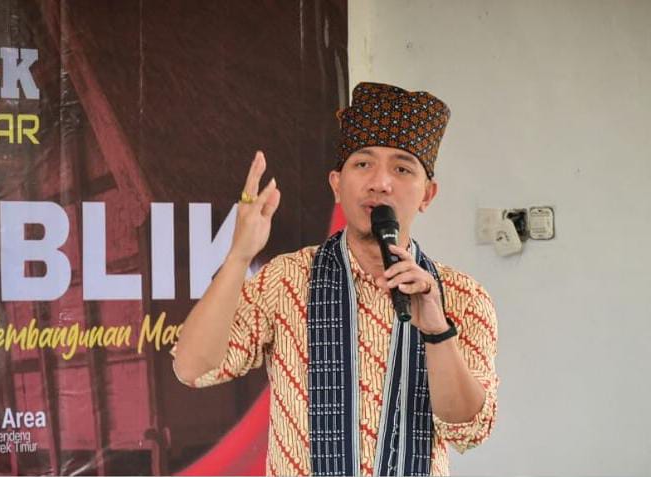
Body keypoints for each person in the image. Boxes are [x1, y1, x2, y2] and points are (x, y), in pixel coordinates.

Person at [172, 82, 498, 476]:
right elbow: (192, 368)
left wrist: (436, 331)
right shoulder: (287, 279)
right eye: (363, 164)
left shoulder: (462, 296)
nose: (380, 182)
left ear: (427, 195)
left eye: (401, 168)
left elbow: (469, 429)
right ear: (336, 185)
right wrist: (239, 256)